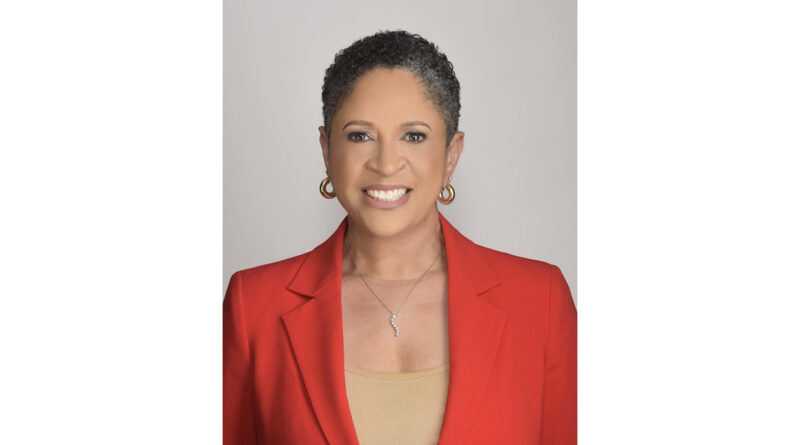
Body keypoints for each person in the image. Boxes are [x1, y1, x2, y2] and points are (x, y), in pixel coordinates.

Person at [224, 30, 576, 445]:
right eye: (360, 135)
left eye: (414, 136)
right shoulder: (254, 308)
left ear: (451, 154)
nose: (386, 164)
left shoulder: (540, 302)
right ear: (326, 150)